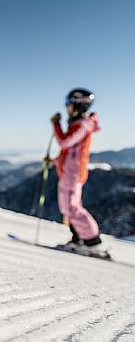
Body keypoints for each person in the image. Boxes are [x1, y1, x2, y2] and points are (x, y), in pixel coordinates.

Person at [49, 88, 102, 249]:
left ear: (78, 105)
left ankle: (92, 241)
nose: (66, 108)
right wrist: (54, 161)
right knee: (68, 208)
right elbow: (69, 152)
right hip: (68, 172)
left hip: (73, 173)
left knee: (73, 208)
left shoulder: (83, 125)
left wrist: (56, 125)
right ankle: (77, 239)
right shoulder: (78, 124)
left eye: (69, 104)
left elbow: (65, 142)